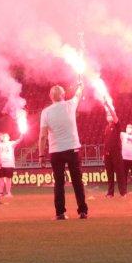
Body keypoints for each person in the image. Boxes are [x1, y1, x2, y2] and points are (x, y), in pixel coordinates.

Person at [37, 81, 88, 221]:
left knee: (59, 183)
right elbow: (78, 94)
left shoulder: (46, 112)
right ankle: (82, 211)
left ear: (50, 96)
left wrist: (41, 154)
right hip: (72, 149)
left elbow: (42, 136)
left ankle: (60, 213)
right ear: (63, 95)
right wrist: (80, 86)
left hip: (56, 151)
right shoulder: (70, 105)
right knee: (77, 181)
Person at [102, 110, 126, 198]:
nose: (109, 116)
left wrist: (108, 106)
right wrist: (104, 153)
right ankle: (110, 193)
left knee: (119, 173)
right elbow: (106, 141)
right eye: (108, 115)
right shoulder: (106, 127)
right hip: (107, 153)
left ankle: (123, 192)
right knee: (109, 174)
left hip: (116, 152)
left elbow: (115, 117)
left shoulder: (117, 125)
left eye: (110, 115)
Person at [0, 132, 17, 198]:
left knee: (8, 179)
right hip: (1, 164)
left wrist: (22, 134)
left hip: (9, 164)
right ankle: (0, 192)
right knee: (0, 179)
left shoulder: (11, 143)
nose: (5, 137)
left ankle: (8, 193)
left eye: (6, 136)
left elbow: (19, 140)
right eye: (4, 136)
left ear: (9, 138)